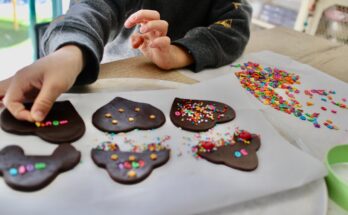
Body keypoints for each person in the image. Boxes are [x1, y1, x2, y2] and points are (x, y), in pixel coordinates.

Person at [0, 0, 252, 122]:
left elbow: (236, 23)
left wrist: (180, 52)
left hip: (187, 83)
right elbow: (91, 9)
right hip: (111, 82)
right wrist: (70, 52)